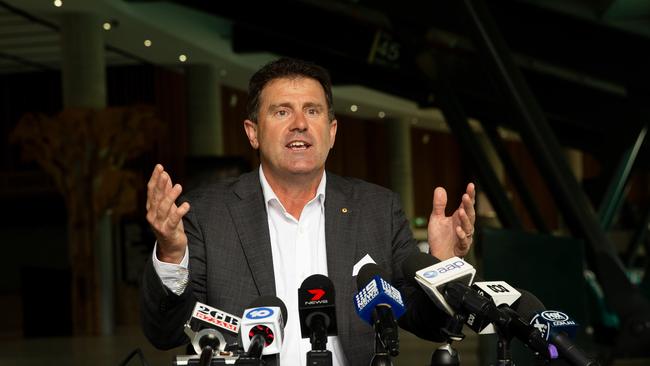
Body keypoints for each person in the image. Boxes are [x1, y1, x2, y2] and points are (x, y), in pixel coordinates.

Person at [141, 57, 476, 365]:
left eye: (313, 111)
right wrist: (171, 254)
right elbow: (166, 332)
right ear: (253, 132)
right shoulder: (207, 214)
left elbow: (430, 325)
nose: (300, 123)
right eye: (282, 111)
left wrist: (443, 264)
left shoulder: (377, 209)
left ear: (331, 132)